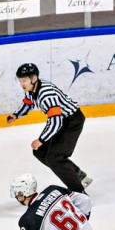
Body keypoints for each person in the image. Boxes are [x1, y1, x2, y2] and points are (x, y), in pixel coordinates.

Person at [7, 63, 90, 192]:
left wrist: (40, 140)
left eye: (24, 80)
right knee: (40, 151)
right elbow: (28, 103)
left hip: (72, 122)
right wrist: (16, 115)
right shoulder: (31, 89)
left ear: (33, 79)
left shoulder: (47, 94)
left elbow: (55, 122)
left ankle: (78, 192)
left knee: (54, 158)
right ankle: (76, 174)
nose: (21, 84)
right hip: (62, 121)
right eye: (20, 80)